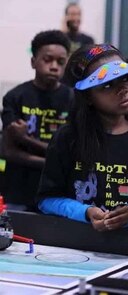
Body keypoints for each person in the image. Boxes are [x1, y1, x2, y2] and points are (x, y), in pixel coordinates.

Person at [37, 44, 128, 231]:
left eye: (125, 78)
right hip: (74, 248)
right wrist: (85, 212)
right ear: (88, 97)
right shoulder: (67, 138)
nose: (123, 89)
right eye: (108, 85)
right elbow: (47, 200)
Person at [1, 30, 72, 211]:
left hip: (57, 192)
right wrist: (55, 161)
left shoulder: (73, 100)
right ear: (33, 61)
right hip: (18, 189)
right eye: (47, 60)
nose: (54, 66)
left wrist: (25, 139)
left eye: (61, 62)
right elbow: (8, 151)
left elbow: (70, 153)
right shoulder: (15, 97)